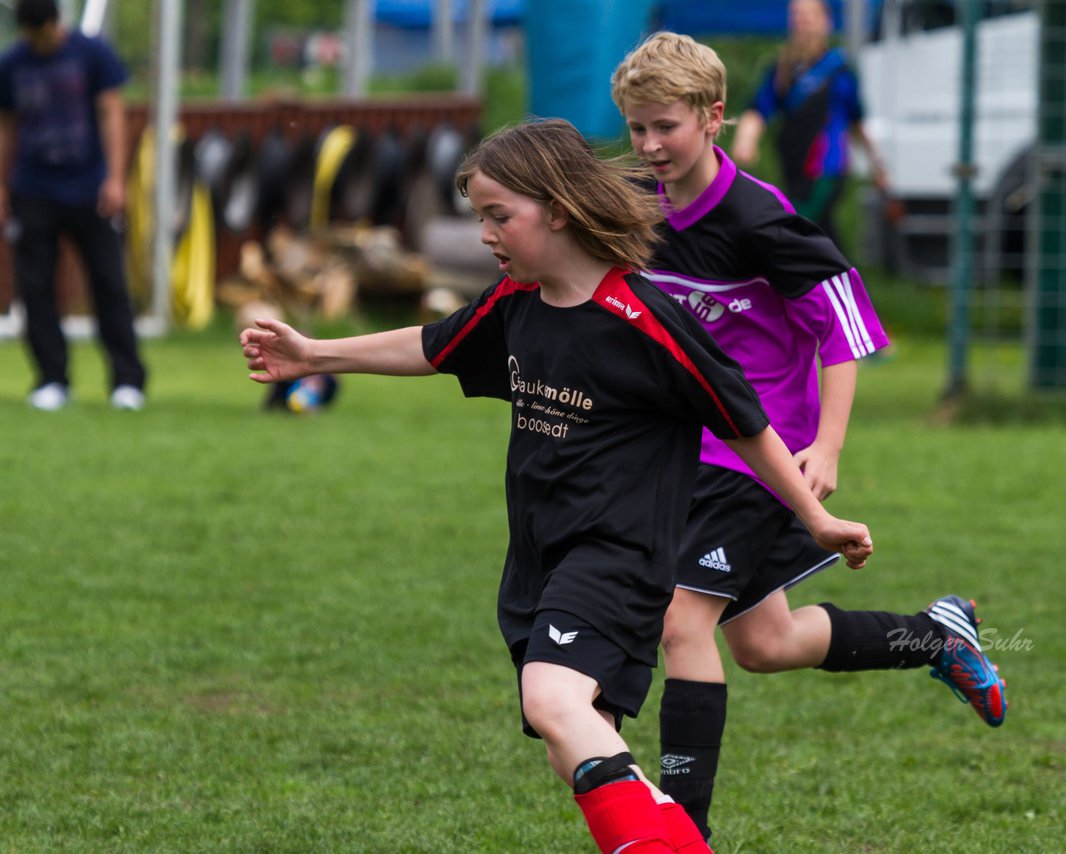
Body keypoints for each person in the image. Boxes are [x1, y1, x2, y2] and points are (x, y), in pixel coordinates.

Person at [239, 118, 875, 853]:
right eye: (481, 217)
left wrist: (815, 517)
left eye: (499, 215)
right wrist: (314, 353)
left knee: (552, 699)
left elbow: (744, 424)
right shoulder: (516, 303)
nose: (486, 235)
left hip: (619, 556)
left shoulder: (645, 319)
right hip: (539, 558)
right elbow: (433, 344)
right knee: (574, 739)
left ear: (559, 208)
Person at [611, 32, 1007, 841]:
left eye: (667, 128)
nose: (650, 147)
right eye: (637, 128)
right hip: (684, 449)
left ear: (714, 118)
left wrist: (825, 448)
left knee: (682, 625)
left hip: (759, 448)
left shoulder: (759, 219)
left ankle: (683, 832)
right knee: (765, 640)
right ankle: (937, 636)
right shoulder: (628, 200)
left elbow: (844, 326)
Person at [0, 0, 147, 411]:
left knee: (109, 285)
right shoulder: (13, 63)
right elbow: (6, 126)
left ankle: (127, 381)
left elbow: (111, 113)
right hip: (33, 188)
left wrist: (115, 178)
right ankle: (51, 379)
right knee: (36, 288)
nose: (36, 42)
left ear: (54, 24)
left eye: (40, 33)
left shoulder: (91, 53)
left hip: (90, 189)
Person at [731, 0, 891, 252]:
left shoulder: (839, 70)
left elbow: (858, 122)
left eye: (809, 15)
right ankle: (842, 280)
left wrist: (878, 165)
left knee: (798, 228)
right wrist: (746, 141)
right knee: (820, 235)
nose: (802, 21)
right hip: (795, 168)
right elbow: (758, 110)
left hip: (827, 168)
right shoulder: (783, 69)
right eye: (797, 16)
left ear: (825, 22)